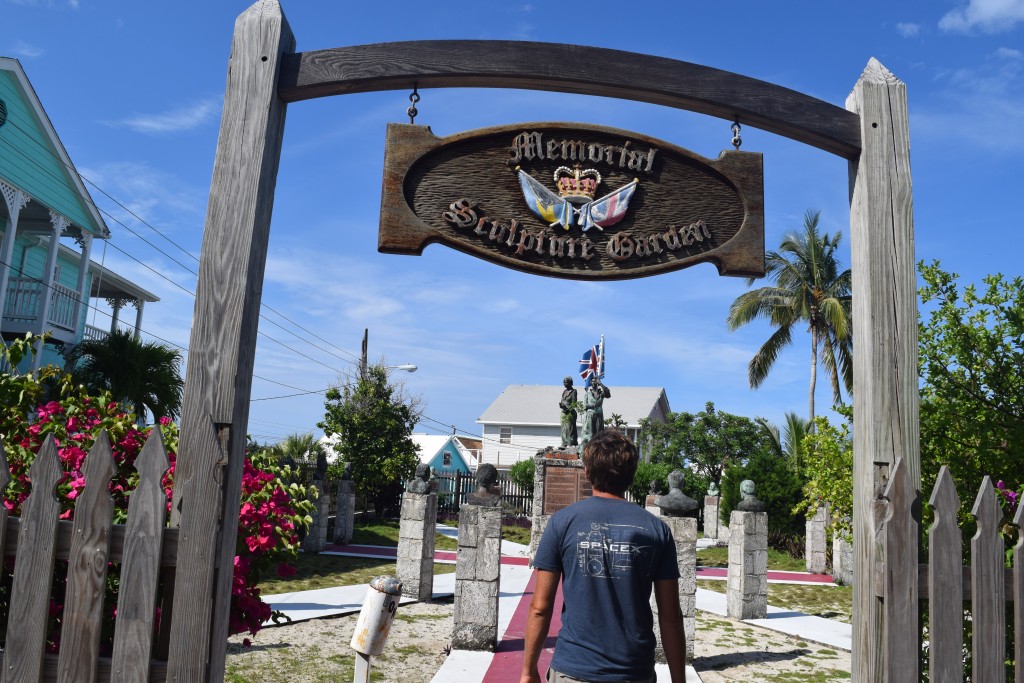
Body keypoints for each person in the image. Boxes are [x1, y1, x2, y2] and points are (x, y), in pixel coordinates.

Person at [520, 429, 687, 683]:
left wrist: (528, 671)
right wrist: (679, 680)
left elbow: (540, 607)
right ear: (632, 475)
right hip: (634, 672)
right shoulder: (656, 530)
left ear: (587, 472)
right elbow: (671, 617)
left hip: (573, 669)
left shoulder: (562, 523)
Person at [579, 376, 611, 447]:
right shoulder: (588, 394)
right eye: (592, 381)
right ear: (590, 382)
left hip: (599, 416)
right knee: (589, 434)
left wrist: (601, 384)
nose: (593, 382)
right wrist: (593, 405)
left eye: (595, 381)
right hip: (590, 416)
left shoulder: (601, 393)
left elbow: (608, 394)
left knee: (599, 434)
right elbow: (585, 405)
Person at [559, 376, 579, 447]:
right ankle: (564, 442)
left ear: (570, 383)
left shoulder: (574, 391)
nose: (564, 383)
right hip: (564, 412)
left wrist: (568, 409)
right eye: (564, 382)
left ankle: (571, 442)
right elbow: (562, 400)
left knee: (570, 428)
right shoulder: (564, 391)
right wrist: (561, 405)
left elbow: (574, 403)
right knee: (564, 428)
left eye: (566, 382)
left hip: (570, 412)